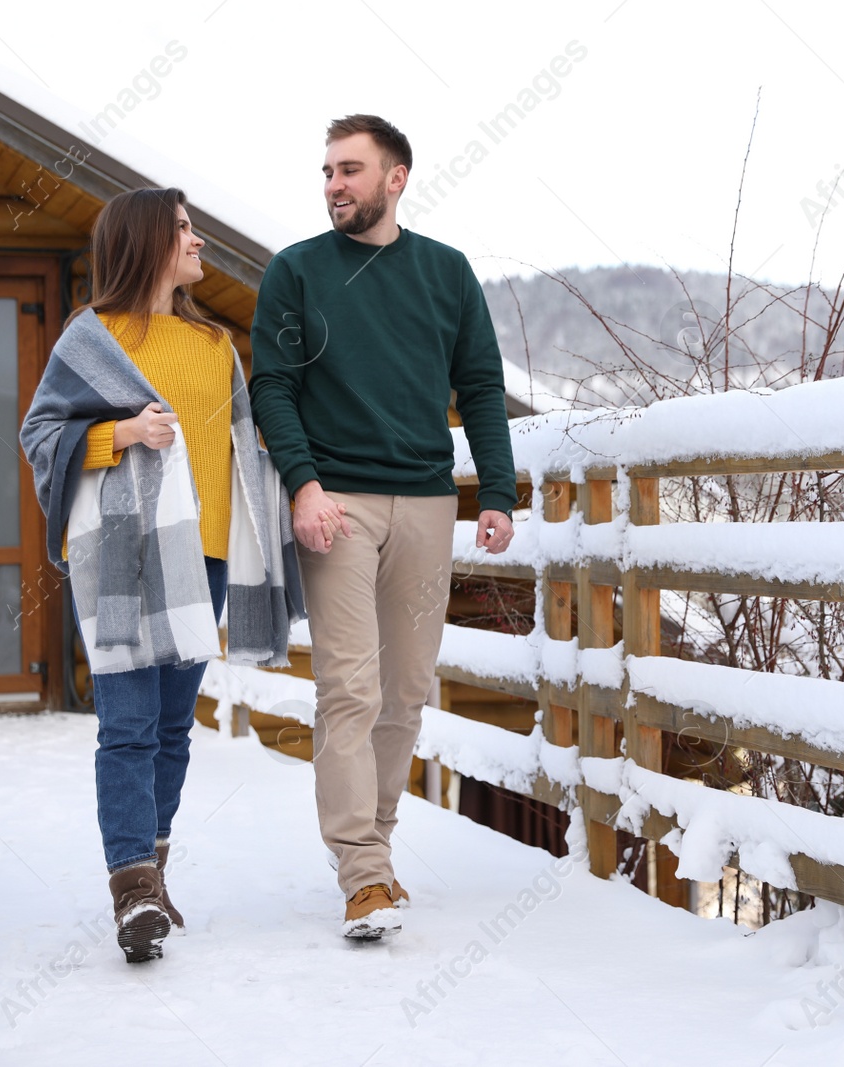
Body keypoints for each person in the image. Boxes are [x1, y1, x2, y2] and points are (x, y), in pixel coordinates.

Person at [250, 115, 517, 940]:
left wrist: (498, 492)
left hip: (429, 501)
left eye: (350, 170)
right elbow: (273, 388)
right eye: (328, 170)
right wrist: (304, 484)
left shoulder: (445, 272)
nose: (334, 184)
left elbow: (479, 385)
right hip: (338, 504)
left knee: (405, 693)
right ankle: (361, 874)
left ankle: (379, 849)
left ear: (396, 177)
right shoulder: (295, 271)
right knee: (350, 688)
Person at [21, 188, 300, 963]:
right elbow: (41, 431)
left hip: (205, 555)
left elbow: (246, 446)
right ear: (147, 241)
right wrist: (119, 433)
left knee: (175, 725)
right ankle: (133, 886)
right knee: (129, 721)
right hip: (121, 555)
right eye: (182, 229)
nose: (198, 240)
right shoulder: (91, 337)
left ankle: (154, 864)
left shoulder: (215, 345)